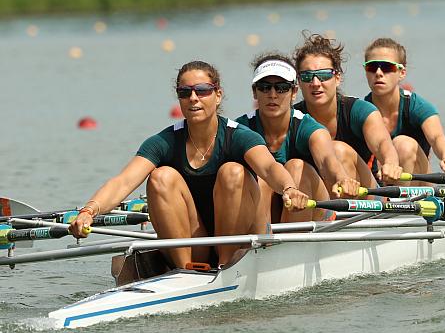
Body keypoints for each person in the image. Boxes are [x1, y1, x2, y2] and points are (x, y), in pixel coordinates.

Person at [69, 60, 308, 268]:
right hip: (198, 240)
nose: (193, 98)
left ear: (218, 95)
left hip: (243, 238)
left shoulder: (239, 136)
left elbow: (269, 167)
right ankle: (186, 270)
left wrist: (289, 189)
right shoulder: (164, 141)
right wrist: (89, 211)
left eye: (202, 91)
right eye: (185, 92)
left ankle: (227, 265)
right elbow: (124, 181)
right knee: (160, 176)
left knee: (232, 171)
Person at [236, 53, 360, 223]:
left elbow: (326, 160)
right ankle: (260, 242)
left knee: (296, 167)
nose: (272, 94)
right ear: (255, 92)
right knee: (256, 179)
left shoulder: (307, 127)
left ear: (294, 92)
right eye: (265, 87)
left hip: (309, 206)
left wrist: (342, 179)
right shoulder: (240, 128)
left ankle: (287, 244)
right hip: (268, 210)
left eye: (281, 87)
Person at [292, 33, 402, 189]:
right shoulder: (292, 118)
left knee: (337, 149)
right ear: (299, 82)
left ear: (337, 78)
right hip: (319, 201)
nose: (315, 83)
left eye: (323, 75)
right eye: (307, 76)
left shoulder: (359, 110)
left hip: (368, 197)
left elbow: (382, 143)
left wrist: (390, 163)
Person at [362, 38, 445, 179]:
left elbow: (437, 138)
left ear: (401, 73)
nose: (378, 73)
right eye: (371, 67)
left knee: (402, 144)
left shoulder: (417, 106)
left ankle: (401, 199)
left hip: (418, 185)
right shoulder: (360, 111)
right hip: (378, 187)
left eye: (386, 67)